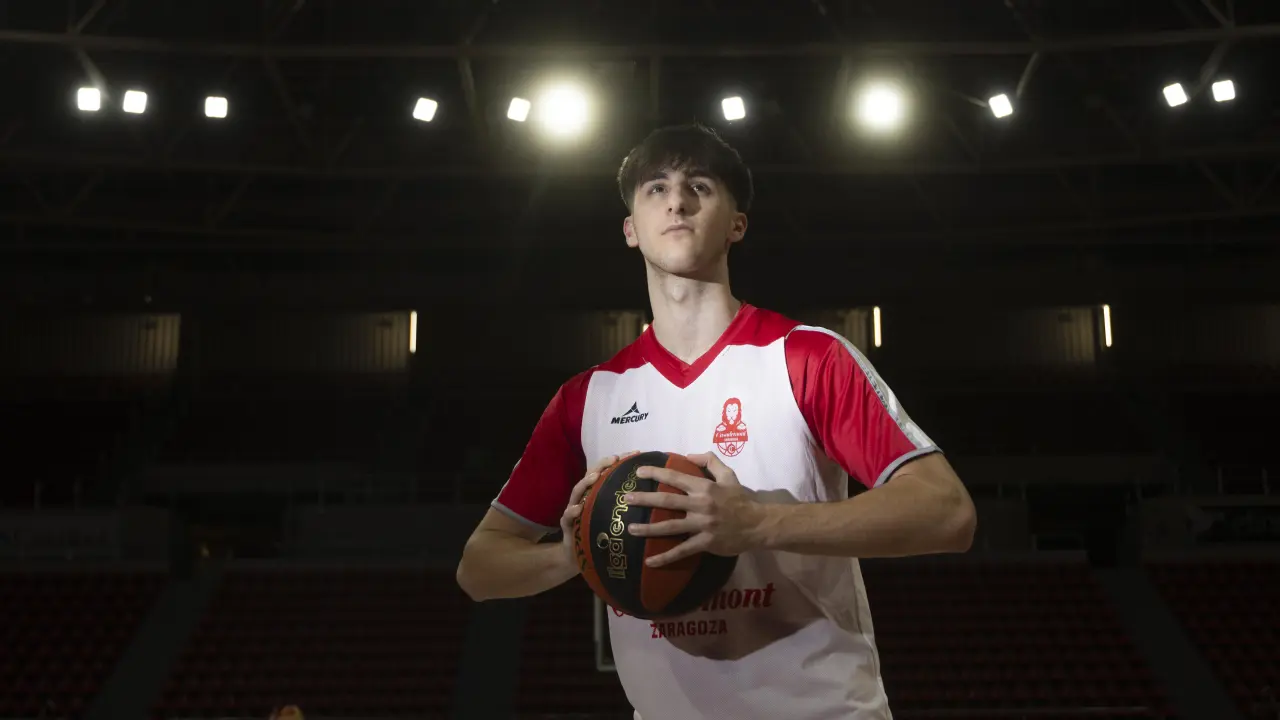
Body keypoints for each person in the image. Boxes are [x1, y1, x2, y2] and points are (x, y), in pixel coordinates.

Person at [456, 123, 976, 720]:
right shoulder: (589, 398)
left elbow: (947, 512)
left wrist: (755, 522)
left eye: (699, 186)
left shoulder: (806, 358)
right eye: (655, 188)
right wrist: (577, 554)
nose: (676, 201)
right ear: (630, 228)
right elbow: (480, 567)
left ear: (737, 224)